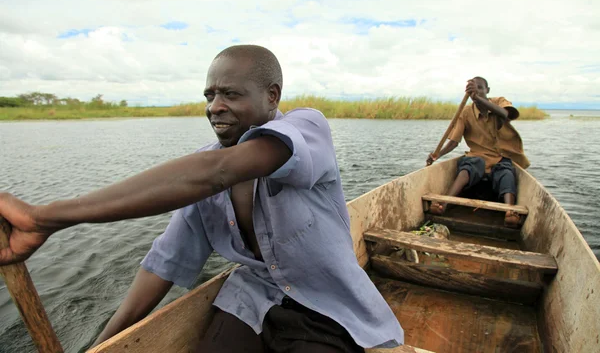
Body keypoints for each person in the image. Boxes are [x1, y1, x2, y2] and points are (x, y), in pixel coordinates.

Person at [0, 45, 404, 352]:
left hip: (329, 307)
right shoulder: (201, 173)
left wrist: (45, 217)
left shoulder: (307, 129)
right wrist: (101, 344)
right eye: (209, 95)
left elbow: (221, 172)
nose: (215, 107)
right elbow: (165, 263)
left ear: (272, 95)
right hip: (252, 300)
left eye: (230, 94)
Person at [426, 77, 530, 228]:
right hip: (476, 156)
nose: (478, 91)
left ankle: (510, 211)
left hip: (499, 156)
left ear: (488, 90)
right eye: (474, 90)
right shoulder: (466, 112)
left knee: (506, 171)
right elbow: (454, 141)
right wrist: (437, 155)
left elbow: (505, 114)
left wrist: (479, 99)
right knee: (470, 165)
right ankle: (444, 203)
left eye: (480, 88)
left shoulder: (499, 102)